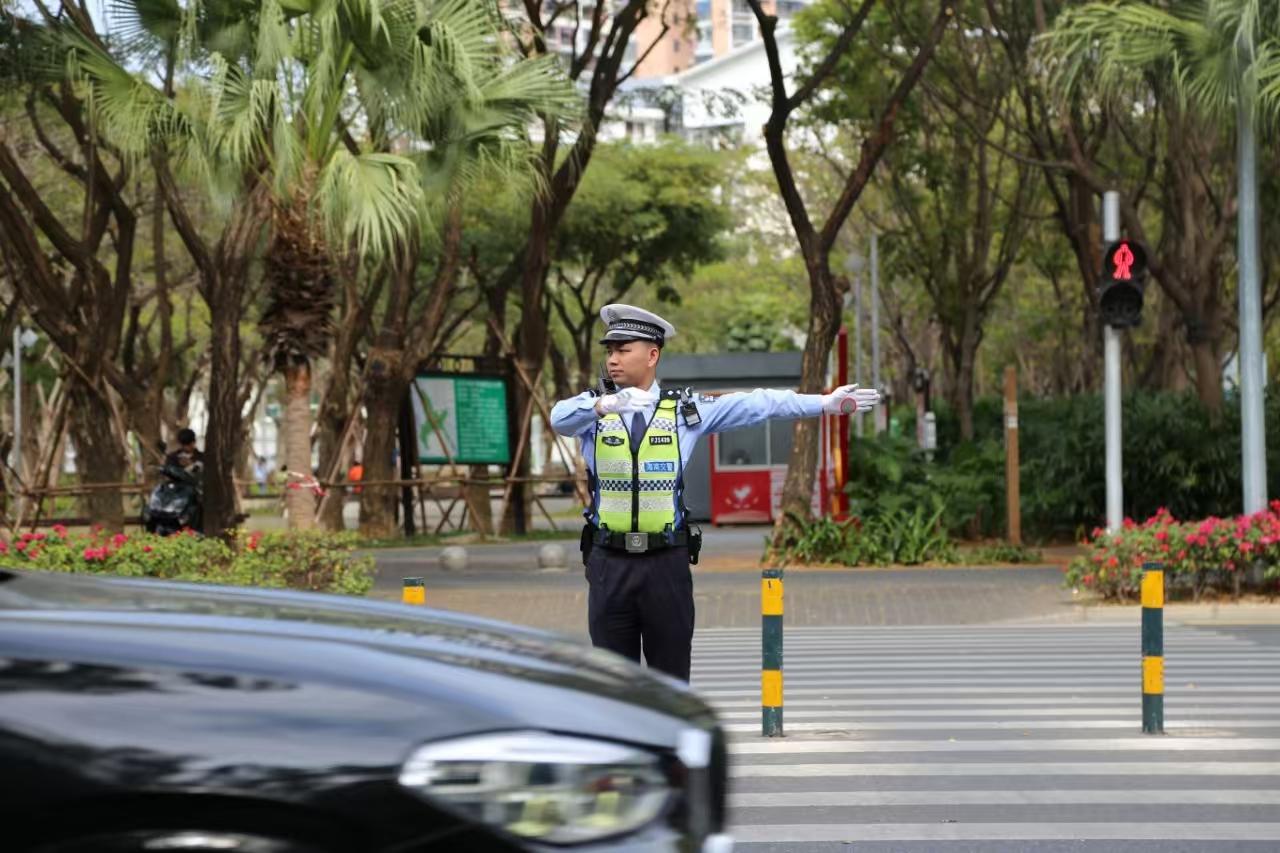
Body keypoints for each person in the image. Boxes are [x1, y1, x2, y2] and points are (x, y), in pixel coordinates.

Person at [550, 304, 881, 682]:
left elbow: (757, 404)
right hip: (609, 562)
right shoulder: (592, 414)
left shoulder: (682, 411)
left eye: (624, 350)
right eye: (610, 351)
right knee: (613, 684)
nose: (613, 360)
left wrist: (823, 403)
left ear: (653, 354)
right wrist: (603, 404)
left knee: (671, 682)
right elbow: (558, 417)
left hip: (665, 565)